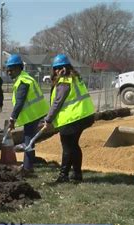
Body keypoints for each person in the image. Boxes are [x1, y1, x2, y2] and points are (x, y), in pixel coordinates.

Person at [42, 54, 95, 183]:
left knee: (67, 147)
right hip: (84, 116)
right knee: (74, 146)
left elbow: (57, 103)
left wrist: (48, 120)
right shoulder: (75, 78)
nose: (56, 71)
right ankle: (77, 174)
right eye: (55, 69)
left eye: (58, 68)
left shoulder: (65, 81)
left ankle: (63, 175)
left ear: (64, 68)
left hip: (73, 119)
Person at [6, 54, 49, 175]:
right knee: (29, 140)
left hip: (33, 113)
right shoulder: (25, 78)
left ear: (19, 68)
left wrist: (12, 119)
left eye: (11, 69)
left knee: (28, 140)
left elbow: (19, 103)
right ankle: (29, 164)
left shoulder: (23, 82)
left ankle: (28, 168)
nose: (9, 72)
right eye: (7, 69)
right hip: (36, 111)